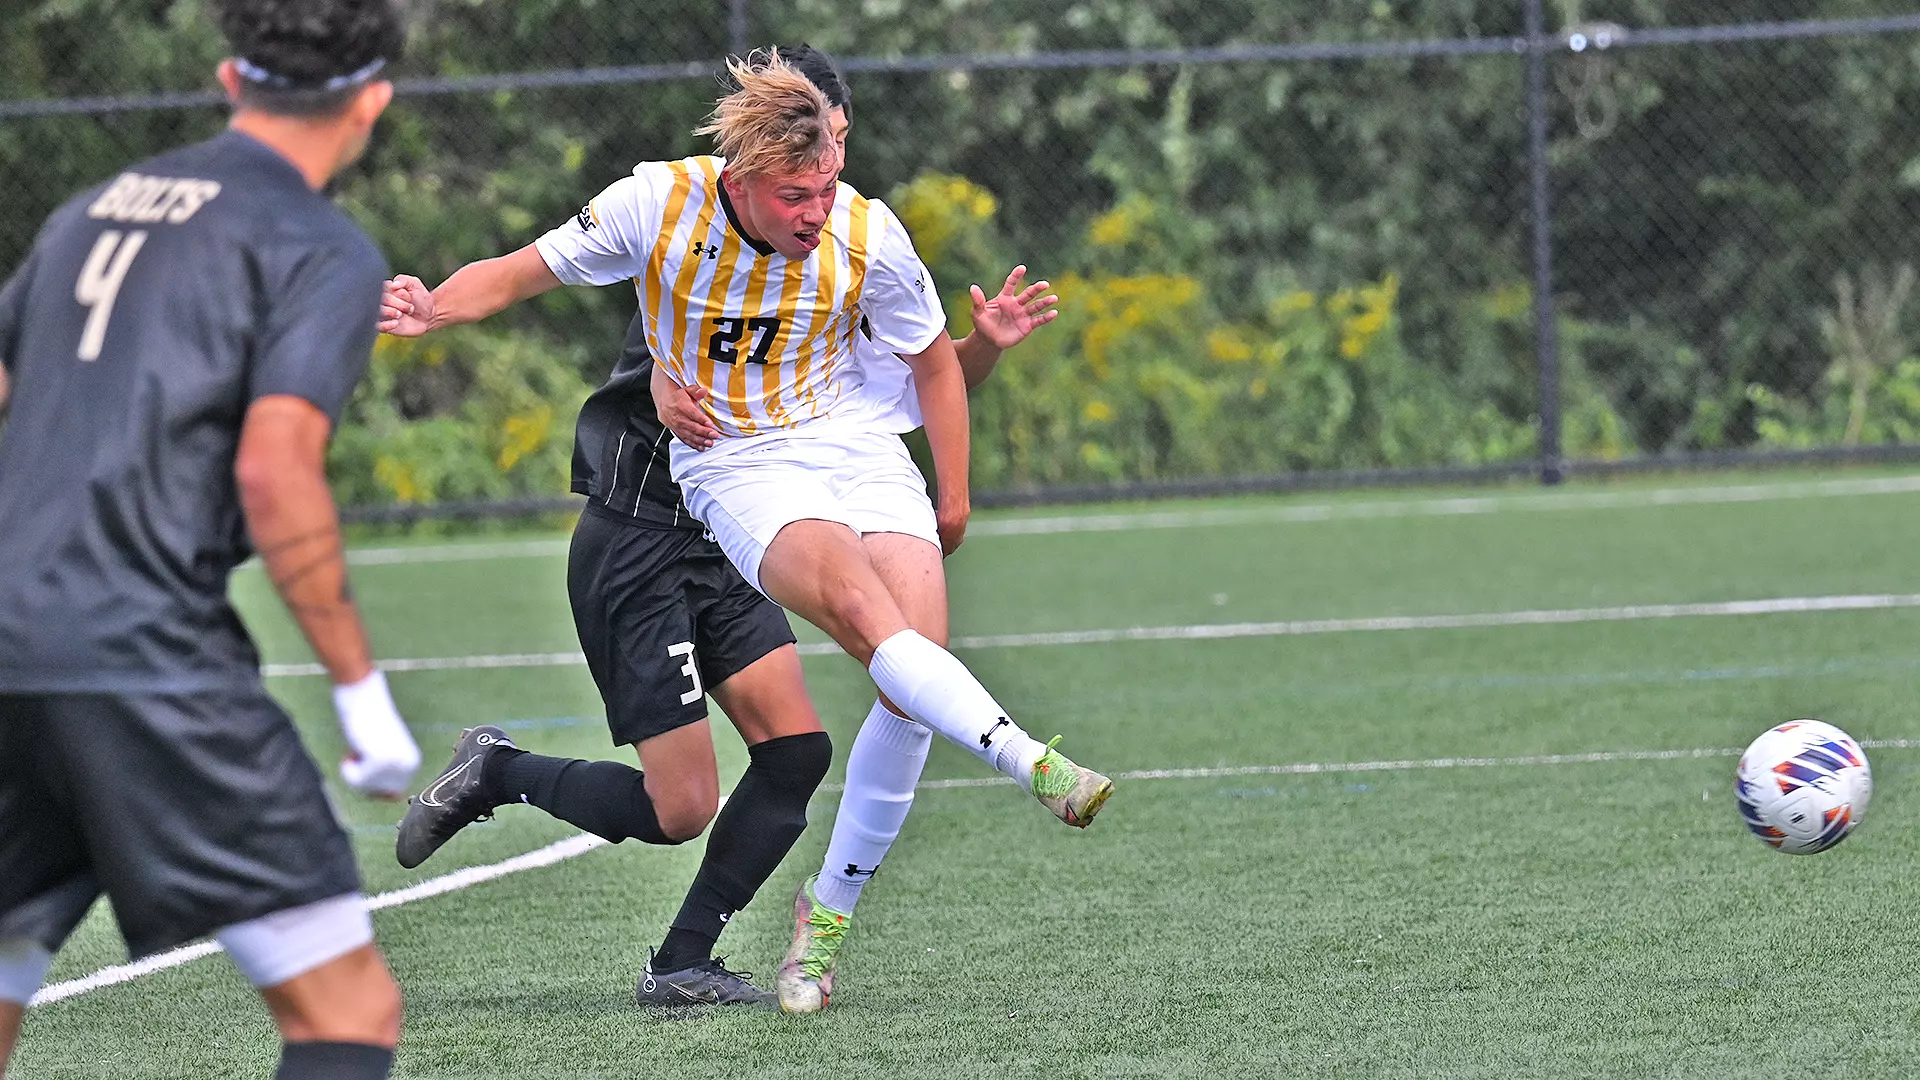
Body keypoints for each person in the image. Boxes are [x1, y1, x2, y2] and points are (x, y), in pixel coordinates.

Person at [381, 46, 1114, 1016]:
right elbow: (533, 281)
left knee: (800, 750)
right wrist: (439, 308)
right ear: (750, 156)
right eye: (804, 174)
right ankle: (499, 770)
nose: (822, 199)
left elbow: (905, 381)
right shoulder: (668, 223)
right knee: (679, 807)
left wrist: (971, 374)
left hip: (751, 530)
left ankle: (684, 960)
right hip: (646, 534)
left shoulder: (852, 245)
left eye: (838, 163)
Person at [0, 2, 421, 1077]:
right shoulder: (320, 245)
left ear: (232, 77)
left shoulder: (91, 209)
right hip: (149, 660)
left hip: (9, 645)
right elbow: (275, 470)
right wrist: (361, 695)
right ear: (373, 97)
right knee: (346, 1013)